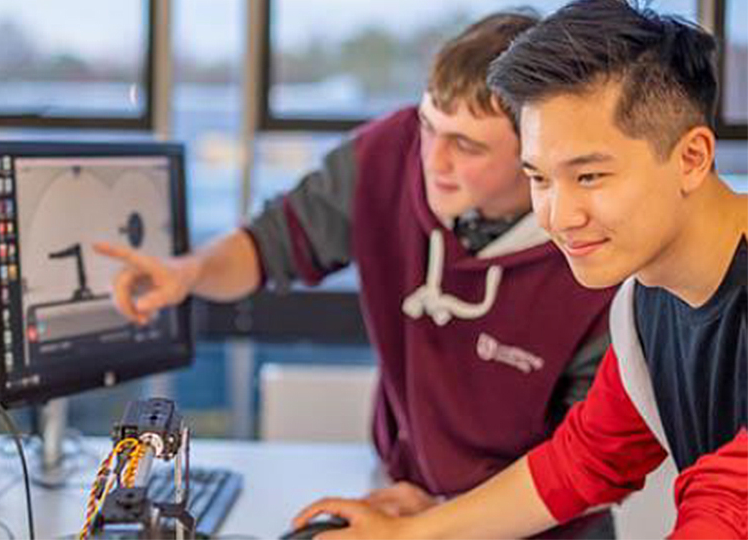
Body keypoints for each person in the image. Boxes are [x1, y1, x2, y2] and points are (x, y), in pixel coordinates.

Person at [97, 11, 616, 535]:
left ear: (536, 151)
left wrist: (443, 517)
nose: (433, 160)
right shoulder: (387, 154)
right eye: (428, 127)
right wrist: (189, 273)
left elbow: (576, 468)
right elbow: (270, 243)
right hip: (404, 502)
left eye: (467, 145)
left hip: (540, 527)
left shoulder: (596, 260)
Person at [292, 0, 747, 537]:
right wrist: (409, 533)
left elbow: (727, 509)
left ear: (692, 158)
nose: (559, 216)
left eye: (590, 177)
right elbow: (586, 459)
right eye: (540, 178)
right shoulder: (644, 301)